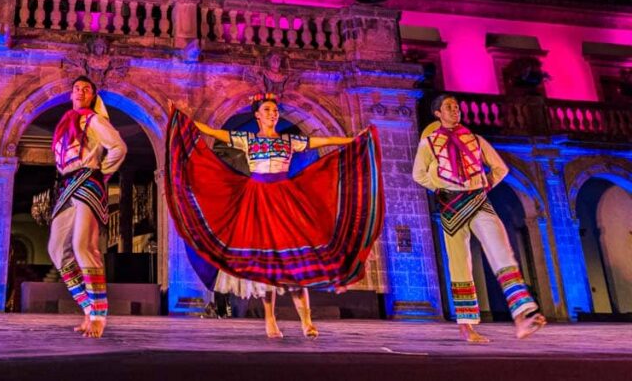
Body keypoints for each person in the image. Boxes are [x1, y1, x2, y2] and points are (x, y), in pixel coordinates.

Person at [168, 93, 383, 339]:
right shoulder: (246, 139)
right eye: (268, 110)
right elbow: (212, 132)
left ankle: (307, 321)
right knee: (266, 263)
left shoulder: (289, 141)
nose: (273, 114)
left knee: (296, 260)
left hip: (284, 199)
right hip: (257, 199)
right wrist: (180, 117)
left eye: (275, 111)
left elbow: (322, 141)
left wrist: (352, 139)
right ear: (257, 115)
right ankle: (270, 320)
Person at [412, 93, 546, 343]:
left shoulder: (474, 139)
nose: (455, 110)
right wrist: (442, 189)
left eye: (456, 106)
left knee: (501, 250)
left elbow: (500, 168)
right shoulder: (429, 143)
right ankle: (466, 327)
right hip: (451, 205)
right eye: (448, 107)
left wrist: (483, 187)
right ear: (438, 113)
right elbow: (419, 174)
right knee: (460, 263)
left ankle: (522, 315)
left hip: (477, 199)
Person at [47, 76, 127, 338]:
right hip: (67, 184)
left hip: (87, 180)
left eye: (86, 89)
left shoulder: (94, 120)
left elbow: (118, 147)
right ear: (71, 94)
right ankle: (87, 309)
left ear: (93, 96)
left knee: (84, 247)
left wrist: (100, 174)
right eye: (77, 89)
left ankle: (99, 316)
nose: (81, 92)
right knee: (57, 249)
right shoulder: (65, 122)